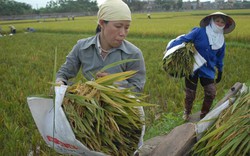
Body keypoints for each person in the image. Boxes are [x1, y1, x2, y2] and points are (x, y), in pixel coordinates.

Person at [56, 0, 146, 93]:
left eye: (126, 28)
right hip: (88, 105)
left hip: (120, 107)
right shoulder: (82, 47)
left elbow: (138, 90)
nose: (123, 33)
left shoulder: (133, 54)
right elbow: (63, 73)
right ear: (102, 23)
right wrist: (60, 82)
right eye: (118, 26)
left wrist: (115, 83)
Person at [166, 12, 236, 121]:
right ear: (212, 21)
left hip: (208, 70)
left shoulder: (221, 40)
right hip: (193, 67)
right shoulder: (199, 32)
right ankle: (187, 113)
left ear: (225, 25)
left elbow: (219, 57)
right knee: (190, 94)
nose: (219, 23)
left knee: (211, 93)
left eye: (222, 22)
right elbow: (184, 39)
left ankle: (204, 114)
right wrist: (170, 49)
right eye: (217, 20)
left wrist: (220, 70)